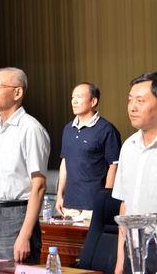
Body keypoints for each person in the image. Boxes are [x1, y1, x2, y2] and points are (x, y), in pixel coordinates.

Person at [0, 67, 50, 263]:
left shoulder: (31, 129)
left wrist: (25, 235)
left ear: (17, 93)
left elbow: (39, 185)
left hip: (15, 217)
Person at [55, 82, 121, 220]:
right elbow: (65, 162)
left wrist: (105, 200)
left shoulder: (107, 129)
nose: (74, 101)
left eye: (79, 97)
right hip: (70, 204)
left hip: (93, 204)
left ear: (93, 101)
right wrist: (59, 195)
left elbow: (114, 167)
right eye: (72, 97)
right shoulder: (68, 129)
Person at [114, 72, 157, 274]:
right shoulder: (128, 147)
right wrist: (120, 259)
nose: (132, 107)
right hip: (132, 247)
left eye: (140, 101)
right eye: (130, 100)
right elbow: (125, 205)